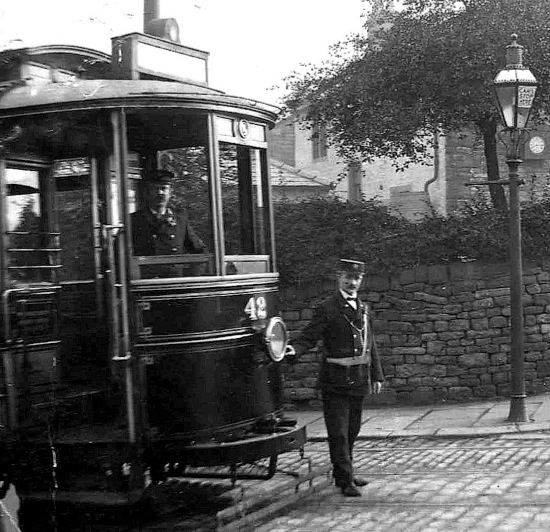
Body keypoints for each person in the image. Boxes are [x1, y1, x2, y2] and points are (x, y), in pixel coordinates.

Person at [285, 259, 384, 497]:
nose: (352, 283)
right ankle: (343, 480)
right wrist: (293, 350)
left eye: (356, 278)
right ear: (338, 278)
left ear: (361, 280)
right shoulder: (327, 308)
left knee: (352, 430)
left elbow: (371, 344)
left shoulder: (364, 309)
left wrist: (377, 374)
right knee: (338, 432)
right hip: (336, 381)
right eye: (347, 278)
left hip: (359, 379)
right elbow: (309, 336)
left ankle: (346, 472)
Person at [131, 169, 205, 276]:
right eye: (155, 189)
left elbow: (200, 251)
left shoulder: (180, 220)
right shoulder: (134, 220)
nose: (160, 193)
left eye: (164, 188)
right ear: (147, 192)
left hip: (174, 285)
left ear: (170, 192)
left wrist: (193, 279)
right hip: (146, 286)